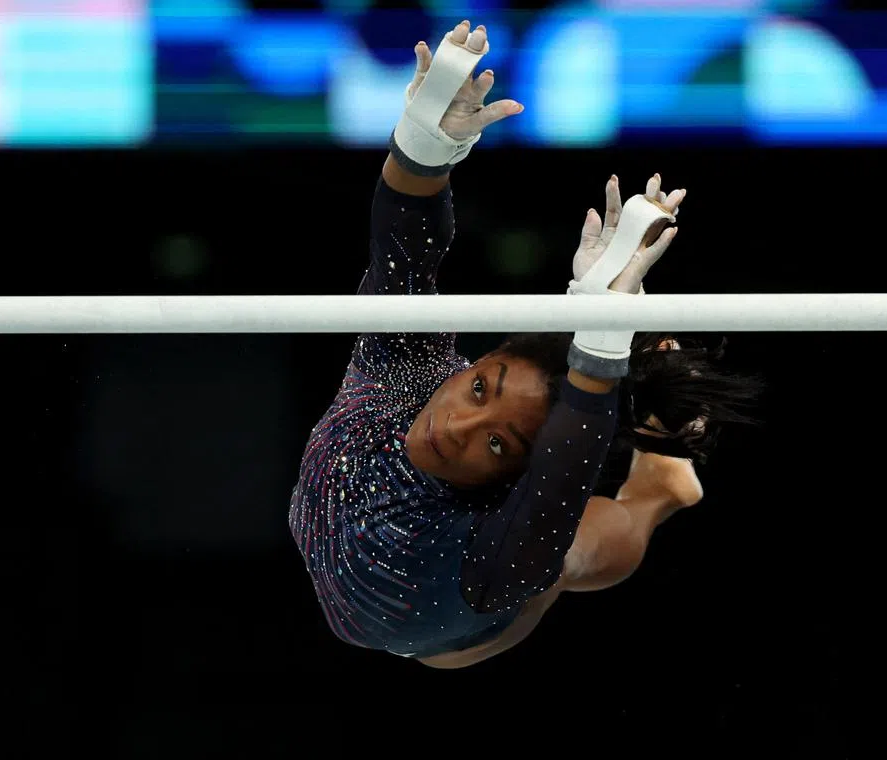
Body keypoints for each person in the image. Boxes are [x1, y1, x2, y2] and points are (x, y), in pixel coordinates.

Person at [289, 20, 760, 669]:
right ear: (481, 359)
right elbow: (403, 253)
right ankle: (632, 397)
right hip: (422, 580)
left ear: (516, 476)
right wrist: (423, 146)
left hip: (452, 634)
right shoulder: (406, 371)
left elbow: (566, 464)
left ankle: (662, 486)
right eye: (482, 387)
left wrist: (603, 340)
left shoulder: (493, 555)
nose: (459, 425)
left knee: (572, 554)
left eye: (497, 444)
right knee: (555, 527)